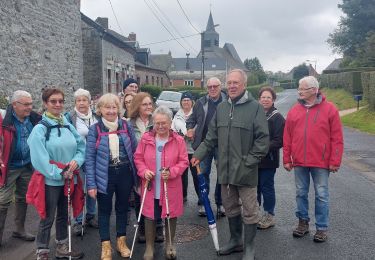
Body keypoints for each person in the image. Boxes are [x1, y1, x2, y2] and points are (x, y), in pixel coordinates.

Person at [191, 69, 269, 260]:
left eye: (236, 82)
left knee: (250, 211)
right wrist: (198, 154)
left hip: (246, 171)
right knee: (231, 207)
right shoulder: (222, 108)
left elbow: (263, 140)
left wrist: (249, 161)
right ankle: (236, 241)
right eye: (230, 83)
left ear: (244, 84)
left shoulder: (255, 108)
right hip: (225, 170)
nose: (232, 86)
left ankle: (249, 248)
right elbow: (211, 137)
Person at [283, 76, 344, 243]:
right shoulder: (294, 110)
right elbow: (287, 136)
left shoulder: (330, 109)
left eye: (302, 88)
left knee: (322, 195)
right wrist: (286, 158)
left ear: (314, 90)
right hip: (299, 162)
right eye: (299, 88)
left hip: (321, 162)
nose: (299, 91)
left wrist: (335, 160)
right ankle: (303, 223)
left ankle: (321, 228)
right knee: (300, 193)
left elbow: (337, 138)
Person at [27, 88, 85, 259]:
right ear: (45, 104)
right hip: (51, 181)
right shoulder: (40, 129)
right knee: (47, 216)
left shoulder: (67, 124)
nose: (58, 104)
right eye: (53, 101)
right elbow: (39, 159)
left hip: (69, 178)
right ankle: (42, 251)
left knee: (63, 214)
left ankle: (61, 246)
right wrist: (60, 173)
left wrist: (76, 162)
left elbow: (81, 147)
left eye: (60, 101)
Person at [85, 93, 138, 260]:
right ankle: (105, 245)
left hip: (125, 173)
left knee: (123, 208)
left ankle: (121, 242)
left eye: (114, 107)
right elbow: (89, 158)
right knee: (104, 210)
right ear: (100, 109)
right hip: (104, 174)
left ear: (119, 108)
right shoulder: (95, 129)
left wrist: (139, 177)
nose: (111, 110)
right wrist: (91, 184)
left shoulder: (126, 125)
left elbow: (136, 152)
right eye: (107, 107)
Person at [134, 106, 189, 260]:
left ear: (170, 122)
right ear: (153, 123)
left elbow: (184, 161)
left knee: (170, 215)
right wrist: (144, 171)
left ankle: (170, 245)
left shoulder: (178, 140)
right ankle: (150, 247)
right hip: (151, 185)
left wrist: (172, 172)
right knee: (150, 215)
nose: (160, 126)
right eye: (157, 123)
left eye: (164, 123)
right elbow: (138, 158)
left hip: (170, 185)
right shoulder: (146, 139)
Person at [0, 90, 41, 246]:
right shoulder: (4, 119)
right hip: (9, 167)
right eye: (26, 104)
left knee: (23, 197)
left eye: (31, 104)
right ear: (14, 105)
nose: (30, 107)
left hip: (26, 165)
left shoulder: (34, 118)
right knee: (3, 201)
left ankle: (19, 229)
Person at [186, 77, 226, 217]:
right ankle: (203, 202)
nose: (213, 89)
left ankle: (221, 203)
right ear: (207, 88)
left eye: (215, 86)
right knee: (203, 174)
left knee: (223, 175)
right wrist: (190, 128)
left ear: (221, 86)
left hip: (223, 145)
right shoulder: (200, 103)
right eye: (210, 87)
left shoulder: (228, 101)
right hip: (204, 143)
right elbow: (191, 120)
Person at [129, 92, 163, 243]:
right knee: (139, 198)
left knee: (157, 197)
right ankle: (142, 228)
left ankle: (158, 227)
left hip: (156, 165)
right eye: (144, 104)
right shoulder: (129, 124)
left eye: (150, 104)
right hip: (138, 166)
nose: (149, 107)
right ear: (137, 106)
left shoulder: (157, 122)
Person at [65, 88, 99, 236]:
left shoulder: (97, 116)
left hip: (95, 158)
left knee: (92, 188)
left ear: (89, 102)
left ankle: (91, 216)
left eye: (84, 100)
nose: (81, 103)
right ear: (75, 103)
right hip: (78, 159)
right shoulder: (69, 117)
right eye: (78, 100)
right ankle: (78, 221)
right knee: (79, 190)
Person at [256, 87, 285, 229]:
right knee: (254, 187)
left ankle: (269, 215)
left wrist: (261, 148)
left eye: (268, 97)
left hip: (269, 160)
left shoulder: (277, 117)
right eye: (263, 97)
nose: (265, 100)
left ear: (273, 100)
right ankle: (254, 213)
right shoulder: (255, 114)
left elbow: (279, 141)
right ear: (259, 99)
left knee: (266, 187)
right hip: (254, 159)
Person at [171, 91, 197, 202]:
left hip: (194, 150)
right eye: (184, 100)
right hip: (181, 151)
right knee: (182, 175)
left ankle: (201, 199)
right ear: (181, 102)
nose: (186, 102)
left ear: (192, 102)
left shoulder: (196, 114)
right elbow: (172, 130)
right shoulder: (177, 115)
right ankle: (182, 196)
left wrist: (192, 133)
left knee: (197, 176)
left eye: (188, 100)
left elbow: (199, 127)